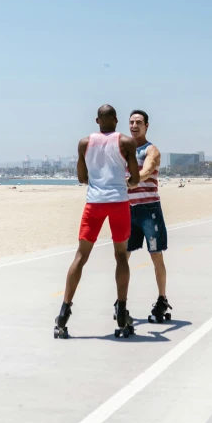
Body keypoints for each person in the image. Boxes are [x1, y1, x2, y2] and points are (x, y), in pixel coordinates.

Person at [54, 104, 140, 338]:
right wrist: (126, 183)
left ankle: (63, 315)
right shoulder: (126, 142)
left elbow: (82, 178)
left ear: (97, 121)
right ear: (116, 119)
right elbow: (135, 178)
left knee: (81, 256)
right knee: (121, 255)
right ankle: (122, 312)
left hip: (94, 203)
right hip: (119, 202)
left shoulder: (84, 143)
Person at [126, 109, 172, 323]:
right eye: (132, 122)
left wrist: (128, 182)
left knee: (156, 254)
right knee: (123, 255)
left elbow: (146, 171)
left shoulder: (151, 150)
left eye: (139, 122)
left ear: (146, 126)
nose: (134, 126)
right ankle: (121, 301)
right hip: (128, 209)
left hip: (149, 210)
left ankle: (162, 299)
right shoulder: (123, 149)